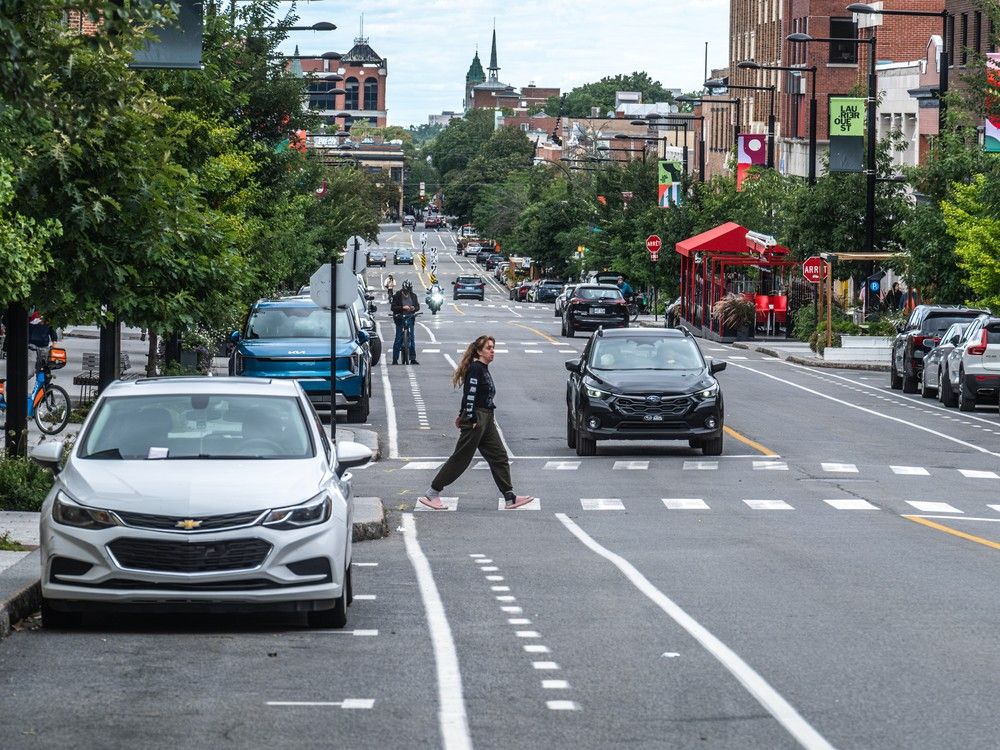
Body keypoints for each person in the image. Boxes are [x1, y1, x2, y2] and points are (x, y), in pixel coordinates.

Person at [418, 335, 535, 510]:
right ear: (479, 351)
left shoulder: (483, 368)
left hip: (487, 418)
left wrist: (462, 414)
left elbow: (470, 394)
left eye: (493, 347)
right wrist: (469, 417)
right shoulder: (476, 368)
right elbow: (470, 394)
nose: (492, 351)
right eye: (489, 348)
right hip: (477, 419)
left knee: (499, 456)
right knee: (461, 458)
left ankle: (510, 497)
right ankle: (432, 493)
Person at [390, 279, 420, 365]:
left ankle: (412, 358)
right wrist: (403, 307)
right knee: (398, 337)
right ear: (403, 289)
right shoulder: (397, 295)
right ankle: (395, 359)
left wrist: (414, 308)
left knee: (412, 338)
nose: (408, 292)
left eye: (409, 290)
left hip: (410, 317)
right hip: (400, 318)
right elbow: (393, 308)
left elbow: (417, 306)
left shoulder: (413, 296)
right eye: (407, 290)